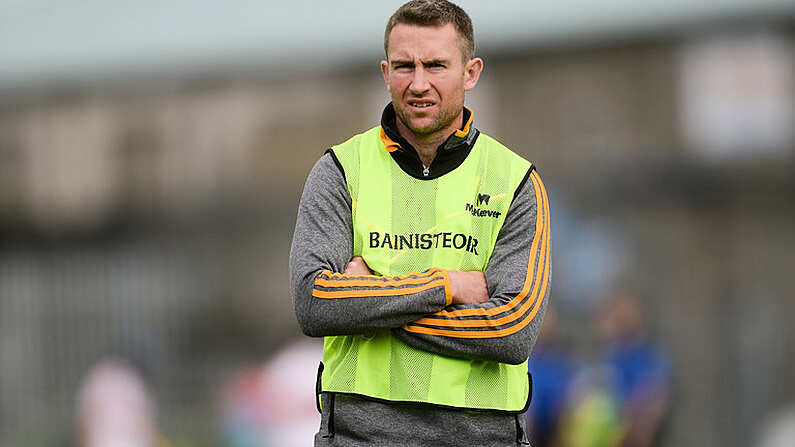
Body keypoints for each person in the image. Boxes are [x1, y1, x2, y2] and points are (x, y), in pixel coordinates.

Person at [289, 1, 551, 445]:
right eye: (404, 66)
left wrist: (372, 307)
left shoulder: (515, 182)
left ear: (470, 73)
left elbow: (511, 331)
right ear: (385, 72)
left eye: (435, 65)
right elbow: (314, 302)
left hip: (484, 438)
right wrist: (447, 286)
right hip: (358, 435)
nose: (419, 83)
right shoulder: (340, 170)